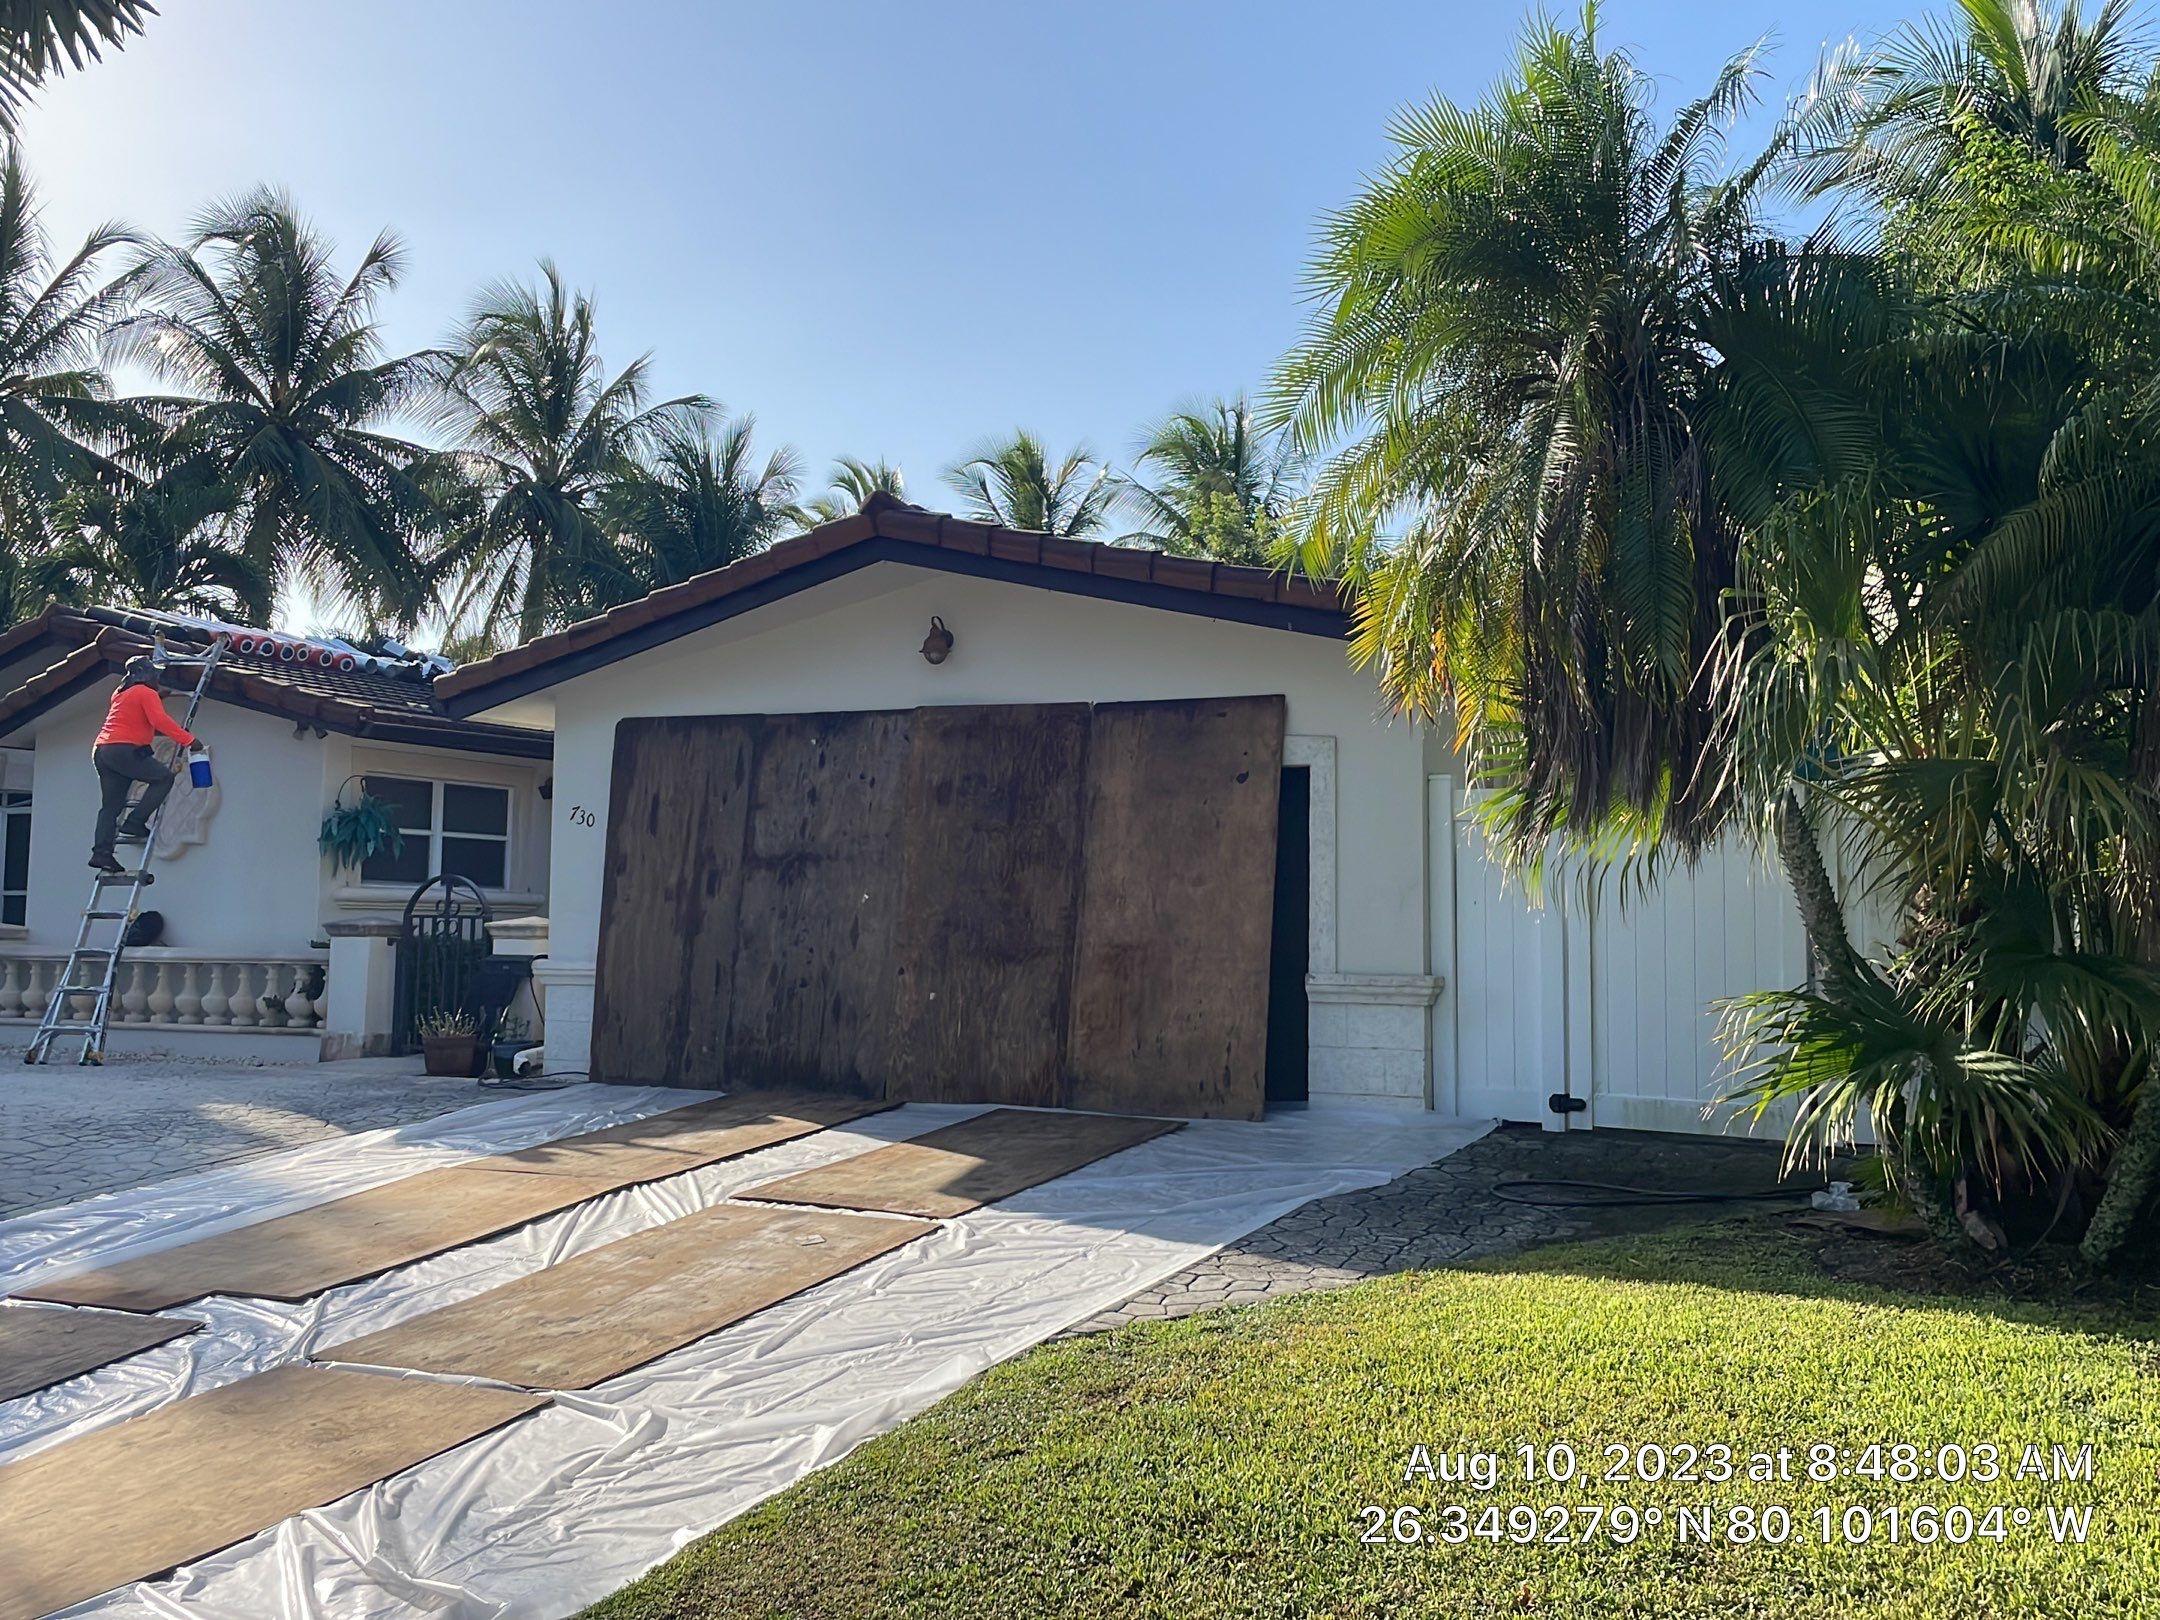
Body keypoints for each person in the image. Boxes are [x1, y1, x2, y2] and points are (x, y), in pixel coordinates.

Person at [89, 658, 196, 877]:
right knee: (164, 778)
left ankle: (101, 853)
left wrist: (157, 698)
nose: (157, 679)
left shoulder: (120, 694)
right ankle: (135, 822)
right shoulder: (144, 693)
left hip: (103, 751)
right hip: (123, 750)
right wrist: (189, 740)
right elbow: (160, 721)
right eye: (154, 675)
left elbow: (141, 724)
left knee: (111, 806)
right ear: (146, 676)